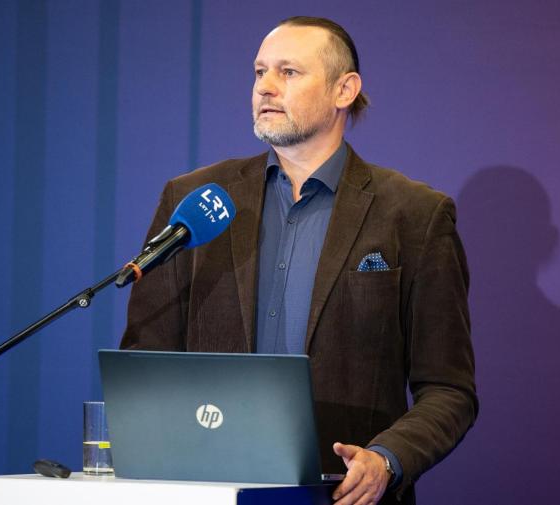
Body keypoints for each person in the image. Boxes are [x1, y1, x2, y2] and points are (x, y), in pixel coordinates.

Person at [121, 16, 477, 505]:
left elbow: (449, 389)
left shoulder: (414, 214)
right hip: (209, 489)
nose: (264, 87)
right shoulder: (197, 201)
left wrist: (386, 460)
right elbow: (146, 361)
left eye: (288, 72)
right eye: (259, 71)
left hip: (343, 495)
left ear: (344, 90)